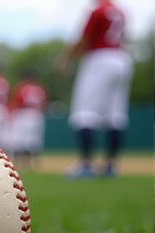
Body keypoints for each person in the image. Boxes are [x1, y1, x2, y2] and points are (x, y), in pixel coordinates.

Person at [58, 0, 133, 178]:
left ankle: (86, 165)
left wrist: (66, 59)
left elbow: (84, 38)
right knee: (115, 114)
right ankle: (111, 166)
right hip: (122, 59)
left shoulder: (98, 10)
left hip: (99, 59)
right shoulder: (120, 11)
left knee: (85, 112)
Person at [7, 71, 48, 170]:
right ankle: (34, 165)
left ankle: (21, 165)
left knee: (20, 141)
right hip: (37, 115)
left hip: (24, 114)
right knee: (34, 141)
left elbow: (17, 102)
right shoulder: (40, 89)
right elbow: (45, 104)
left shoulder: (23, 87)